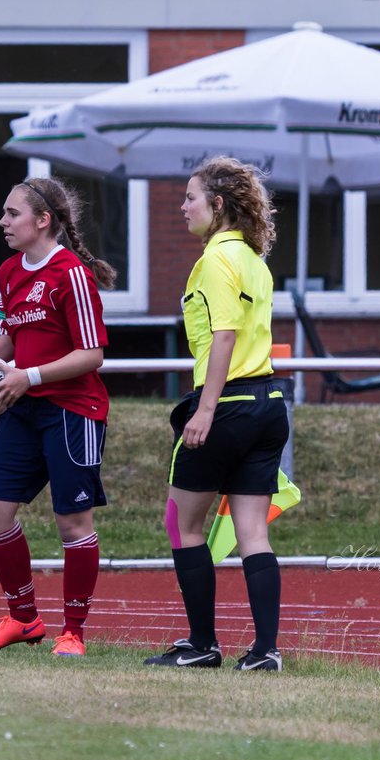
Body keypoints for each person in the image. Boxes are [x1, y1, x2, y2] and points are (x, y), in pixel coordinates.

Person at [144, 156, 288, 672]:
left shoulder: (213, 261)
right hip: (269, 405)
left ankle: (202, 644)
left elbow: (223, 335)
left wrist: (204, 411)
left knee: (182, 524)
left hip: (225, 405)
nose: (182, 207)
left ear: (218, 204)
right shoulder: (254, 258)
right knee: (253, 533)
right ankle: (265, 653)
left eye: (190, 198)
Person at [0, 177, 117, 658]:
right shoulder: (10, 271)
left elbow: (91, 355)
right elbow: (8, 339)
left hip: (73, 411)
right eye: (5, 214)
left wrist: (26, 377)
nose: (4, 222)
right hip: (23, 406)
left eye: (13, 214)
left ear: (43, 220)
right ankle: (24, 619)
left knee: (72, 522)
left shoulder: (71, 273)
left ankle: (73, 632)